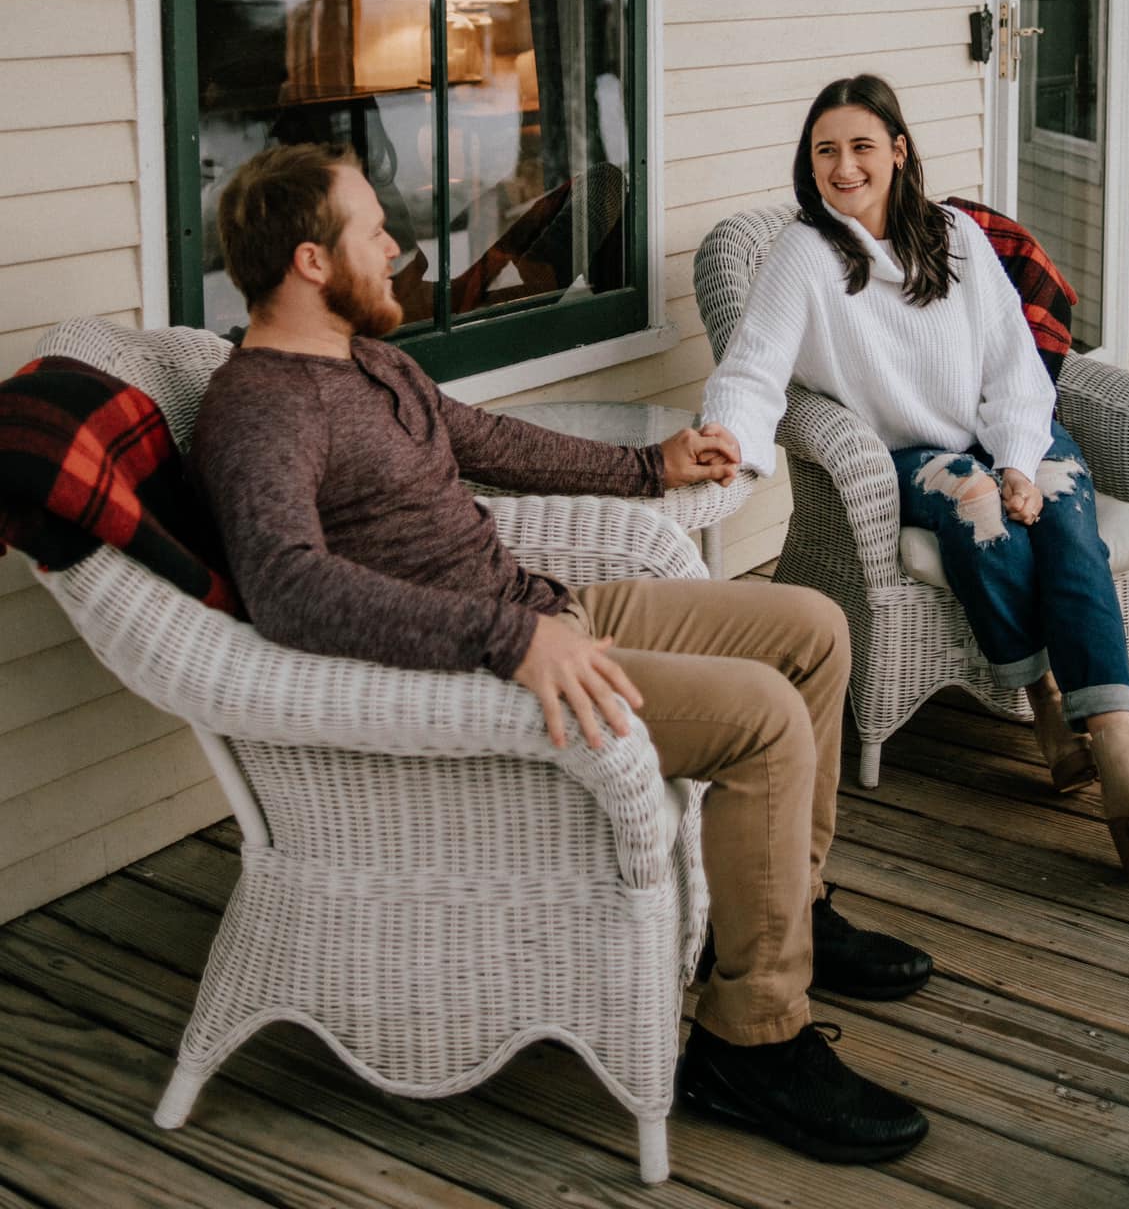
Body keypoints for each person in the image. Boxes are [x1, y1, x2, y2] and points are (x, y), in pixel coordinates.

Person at [190, 142, 933, 1165]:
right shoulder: (262, 406)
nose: (399, 245)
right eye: (373, 230)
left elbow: (487, 440)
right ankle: (748, 1042)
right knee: (762, 713)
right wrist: (508, 638)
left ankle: (781, 911)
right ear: (312, 261)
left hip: (544, 611)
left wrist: (646, 465)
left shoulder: (370, 360)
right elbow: (288, 587)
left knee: (811, 627)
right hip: (484, 671)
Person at [701, 73, 1129, 882]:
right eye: (825, 150)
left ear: (898, 152)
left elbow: (1015, 363)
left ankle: (1119, 754)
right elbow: (756, 365)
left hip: (1007, 426)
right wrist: (727, 437)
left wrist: (1015, 459)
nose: (844, 167)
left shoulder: (955, 236)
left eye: (862, 147)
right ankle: (1045, 704)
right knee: (982, 518)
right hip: (911, 454)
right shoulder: (803, 253)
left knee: (1062, 519)